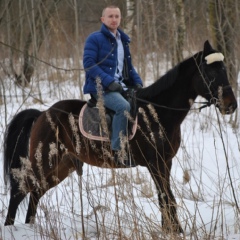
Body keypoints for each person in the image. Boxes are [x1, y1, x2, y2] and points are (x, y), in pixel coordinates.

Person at [83, 5, 143, 166]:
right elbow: (88, 64)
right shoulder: (94, 38)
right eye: (110, 16)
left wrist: (138, 83)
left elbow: (128, 68)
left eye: (117, 16)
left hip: (120, 86)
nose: (114, 19)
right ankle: (118, 152)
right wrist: (109, 82)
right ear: (103, 19)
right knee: (123, 106)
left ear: (120, 19)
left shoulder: (123, 40)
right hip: (99, 88)